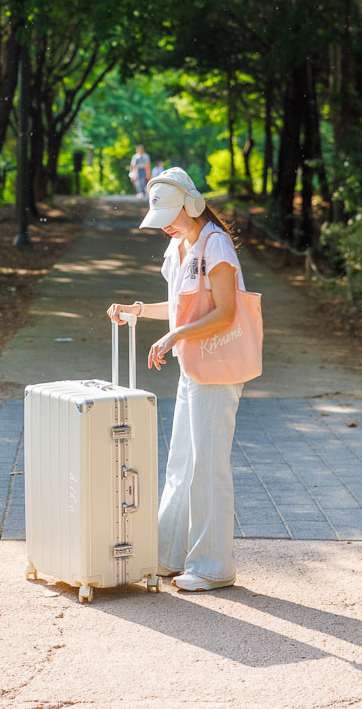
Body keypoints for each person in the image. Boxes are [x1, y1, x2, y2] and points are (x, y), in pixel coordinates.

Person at [107, 166, 247, 592]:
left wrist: (173, 336)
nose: (164, 225)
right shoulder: (179, 247)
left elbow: (226, 313)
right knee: (181, 464)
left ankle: (213, 566)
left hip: (218, 369)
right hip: (193, 365)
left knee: (208, 465)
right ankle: (167, 555)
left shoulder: (215, 245)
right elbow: (178, 309)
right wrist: (137, 310)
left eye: (170, 215)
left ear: (191, 204)